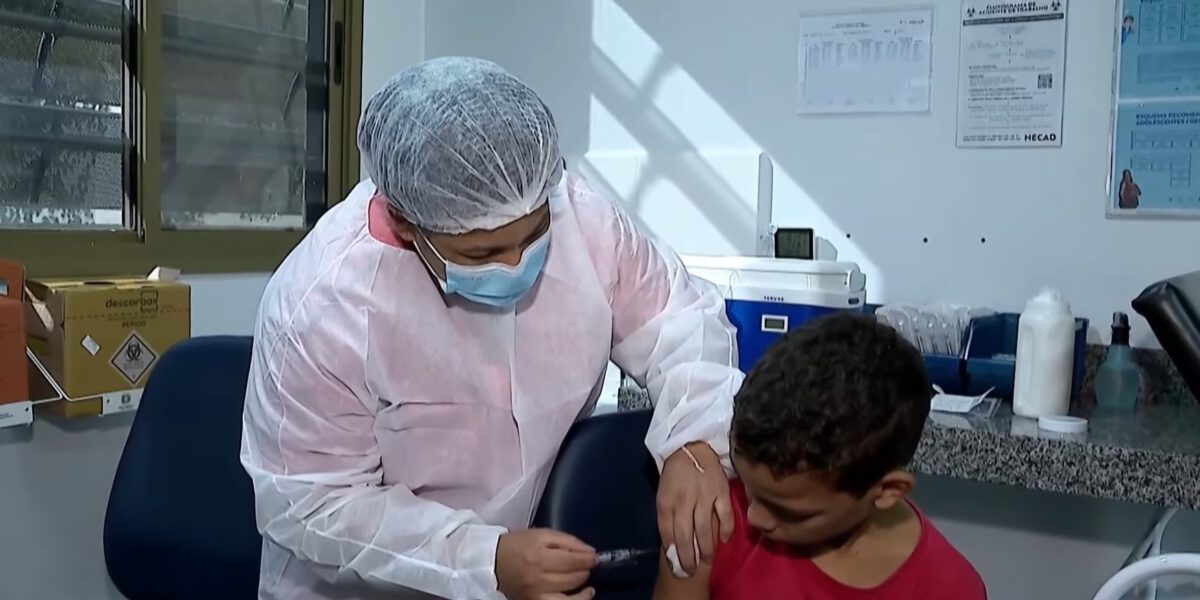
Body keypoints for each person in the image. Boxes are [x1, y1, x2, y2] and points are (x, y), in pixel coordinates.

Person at [241, 57, 743, 600]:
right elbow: (312, 504)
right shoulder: (323, 306)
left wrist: (695, 439)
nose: (515, 264)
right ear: (407, 223)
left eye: (533, 236)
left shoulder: (581, 220)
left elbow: (680, 318)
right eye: (481, 252)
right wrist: (484, 560)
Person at [653, 313, 987, 600]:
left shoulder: (949, 587)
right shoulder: (709, 523)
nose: (755, 517)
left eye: (789, 512)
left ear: (886, 491)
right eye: (750, 488)